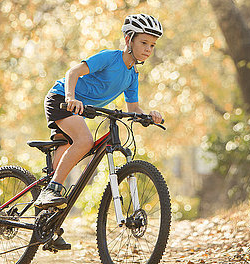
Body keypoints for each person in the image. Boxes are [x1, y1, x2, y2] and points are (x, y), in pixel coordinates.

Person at [35, 14, 164, 210]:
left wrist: (149, 115)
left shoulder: (132, 75)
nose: (148, 49)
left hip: (77, 110)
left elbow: (134, 109)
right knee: (85, 141)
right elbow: (73, 72)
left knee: (61, 164)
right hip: (61, 99)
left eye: (152, 45)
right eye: (144, 42)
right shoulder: (110, 58)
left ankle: (47, 223)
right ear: (128, 40)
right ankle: (52, 189)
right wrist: (71, 97)